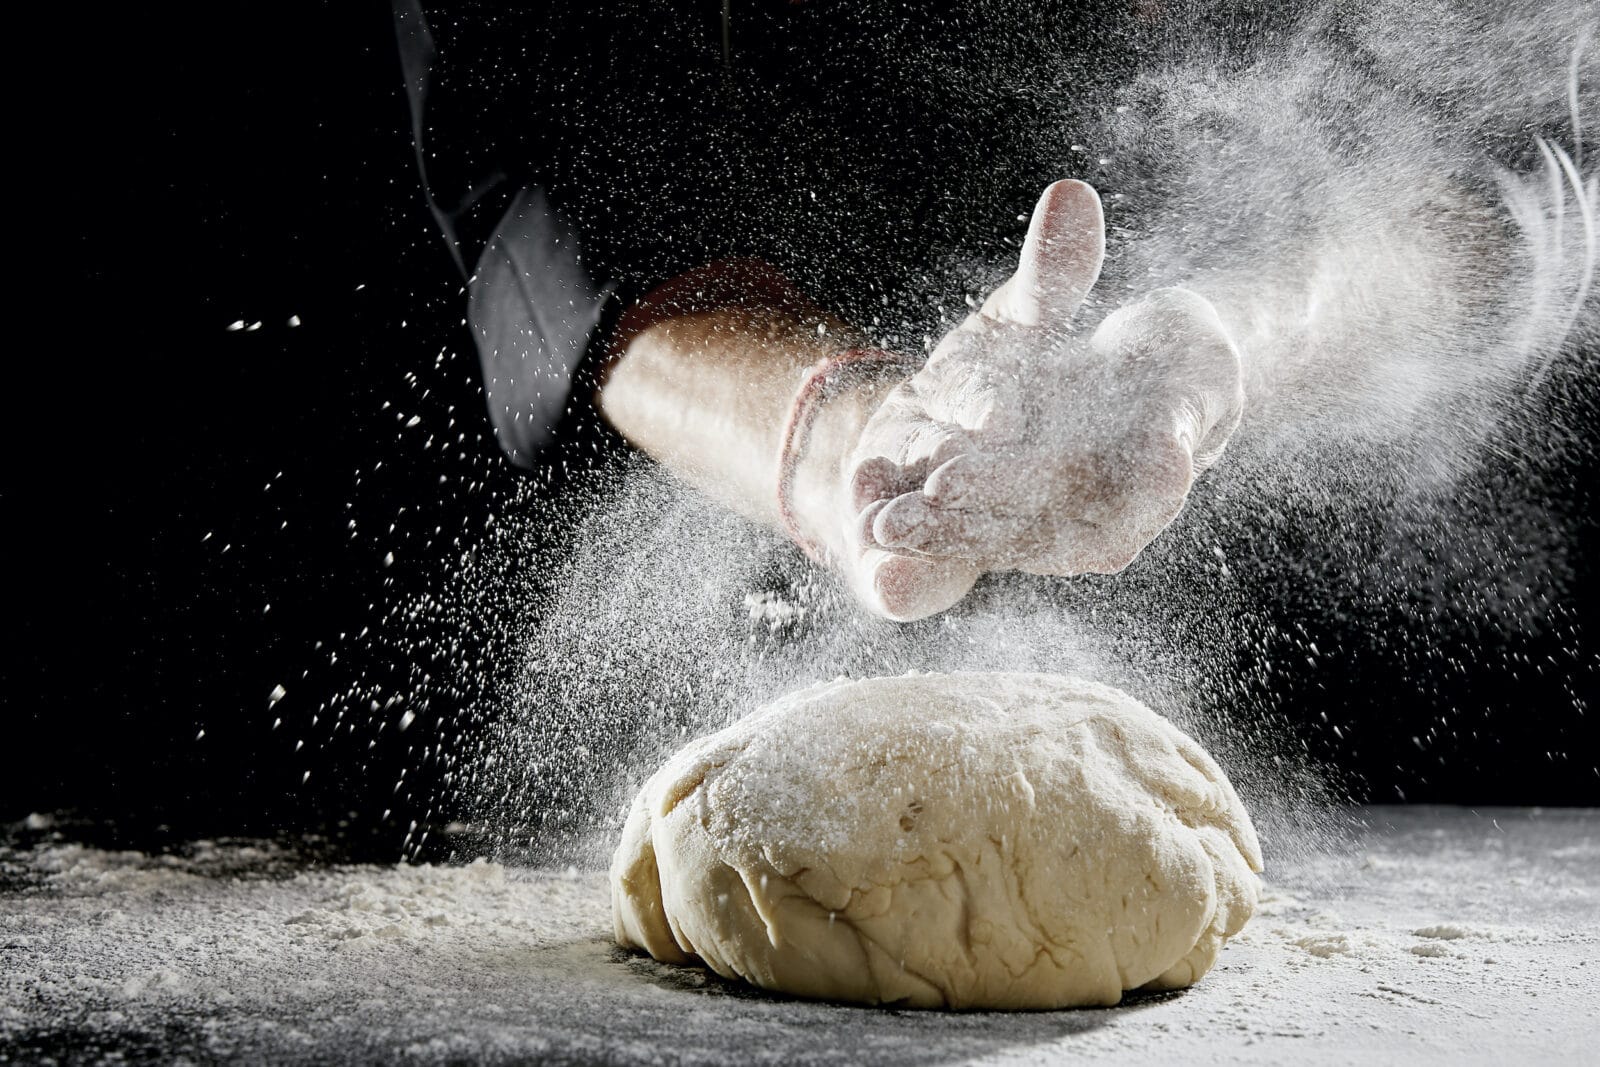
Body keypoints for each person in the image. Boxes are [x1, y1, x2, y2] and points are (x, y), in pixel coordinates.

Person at [393, 1, 1576, 621]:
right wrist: (845, 442)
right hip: (752, 529)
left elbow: (1539, 167)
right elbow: (555, 201)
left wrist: (1228, 344)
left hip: (1398, 785)